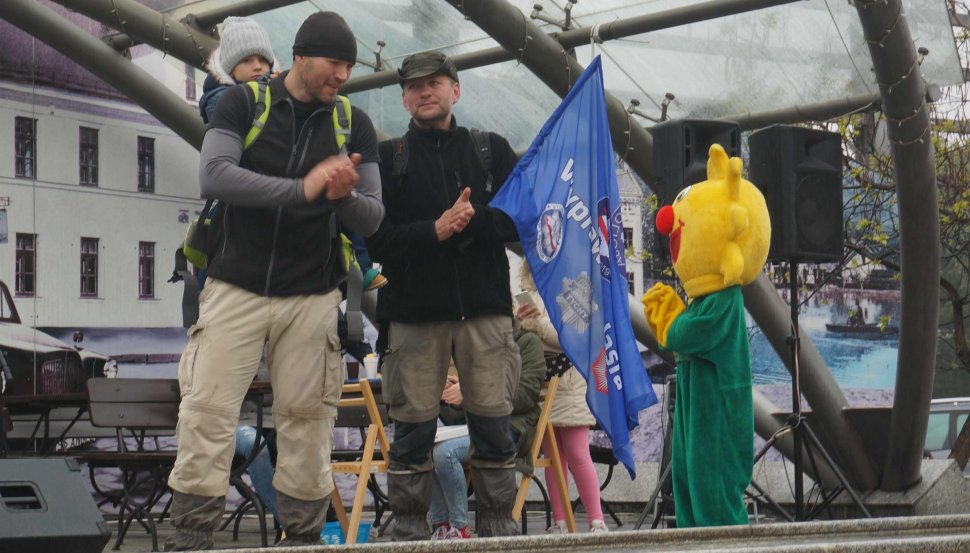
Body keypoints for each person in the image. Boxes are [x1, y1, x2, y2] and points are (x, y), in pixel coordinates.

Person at [164, 11, 384, 550]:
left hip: (311, 293)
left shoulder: (353, 123)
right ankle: (191, 538)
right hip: (235, 285)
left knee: (309, 422)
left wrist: (343, 195)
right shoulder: (243, 101)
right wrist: (303, 188)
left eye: (349, 67)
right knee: (208, 412)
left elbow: (374, 216)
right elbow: (213, 175)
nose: (343, 76)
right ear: (303, 57)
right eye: (335, 63)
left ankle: (304, 538)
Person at [365, 50, 521, 540]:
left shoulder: (491, 148)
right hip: (412, 318)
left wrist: (470, 227)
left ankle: (498, 532)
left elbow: (525, 218)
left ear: (456, 90)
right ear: (404, 99)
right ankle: (410, 533)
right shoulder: (387, 160)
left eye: (435, 82)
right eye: (414, 86)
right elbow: (374, 239)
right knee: (410, 434)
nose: (425, 92)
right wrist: (433, 231)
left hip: (485, 314)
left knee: (495, 429)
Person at [514, 261, 610, 533]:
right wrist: (520, 321)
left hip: (569, 381)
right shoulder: (529, 292)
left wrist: (536, 323)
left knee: (578, 453)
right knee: (553, 458)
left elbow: (570, 336)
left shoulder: (572, 288)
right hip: (541, 383)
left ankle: (596, 520)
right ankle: (560, 521)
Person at [429, 329, 546, 540]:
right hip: (475, 427)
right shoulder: (479, 344)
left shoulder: (528, 342)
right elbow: (462, 413)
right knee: (423, 449)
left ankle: (460, 528)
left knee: (445, 453)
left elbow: (525, 396)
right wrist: (446, 394)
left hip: (510, 429)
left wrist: (470, 392)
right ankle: (442, 526)